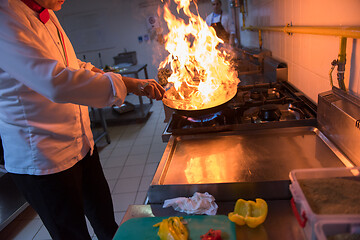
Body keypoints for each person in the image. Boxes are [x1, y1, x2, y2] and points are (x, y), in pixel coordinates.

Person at [0, 0, 165, 239]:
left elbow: (73, 66)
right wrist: (125, 85)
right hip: (43, 157)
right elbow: (54, 82)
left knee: (107, 224)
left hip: (80, 145)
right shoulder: (6, 16)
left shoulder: (47, 14)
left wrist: (129, 82)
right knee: (73, 235)